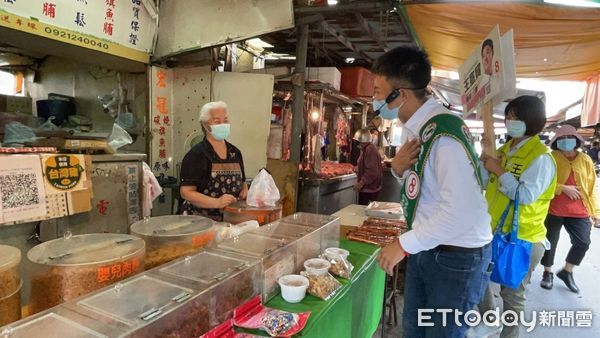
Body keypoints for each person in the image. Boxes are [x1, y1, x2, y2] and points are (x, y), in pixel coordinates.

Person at [373, 46, 493, 338]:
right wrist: (397, 169)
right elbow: (425, 192)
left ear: (400, 94)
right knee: (414, 331)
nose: (374, 100)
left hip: (457, 259)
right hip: (429, 247)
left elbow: (459, 212)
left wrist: (402, 244)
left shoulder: (444, 136)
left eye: (377, 90)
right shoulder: (419, 129)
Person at [478, 95, 557, 338]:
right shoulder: (503, 149)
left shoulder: (541, 157)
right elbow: (483, 181)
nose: (510, 122)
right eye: (509, 117)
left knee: (512, 296)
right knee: (478, 278)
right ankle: (489, 319)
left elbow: (524, 195)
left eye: (517, 118)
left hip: (522, 238)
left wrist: (498, 170)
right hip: (492, 232)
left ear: (533, 122)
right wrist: (485, 156)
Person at [540, 125, 598, 292]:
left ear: (577, 140)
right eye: (562, 138)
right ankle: (547, 273)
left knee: (583, 242)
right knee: (549, 243)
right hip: (554, 209)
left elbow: (592, 187)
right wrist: (562, 188)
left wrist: (596, 212)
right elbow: (543, 183)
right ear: (556, 142)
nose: (566, 141)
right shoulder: (550, 158)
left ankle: (567, 271)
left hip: (580, 210)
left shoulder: (585, 160)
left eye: (569, 137)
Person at [179, 101, 248, 221]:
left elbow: (243, 182)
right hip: (199, 222)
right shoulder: (196, 155)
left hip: (229, 219)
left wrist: (244, 190)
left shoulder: (235, 152)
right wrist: (217, 202)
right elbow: (186, 192)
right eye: (217, 121)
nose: (223, 124)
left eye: (225, 120)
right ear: (205, 125)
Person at [354, 129, 383, 205]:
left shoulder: (370, 149)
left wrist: (361, 183)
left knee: (364, 213)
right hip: (368, 189)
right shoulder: (366, 149)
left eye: (357, 141)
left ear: (362, 141)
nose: (356, 144)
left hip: (369, 190)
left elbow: (372, 171)